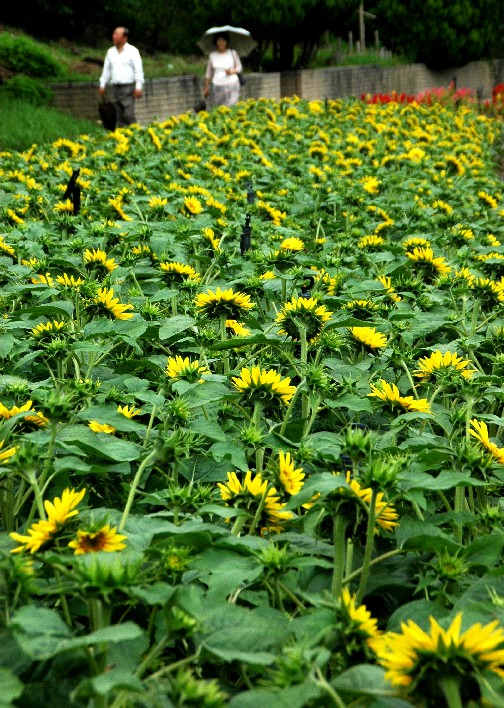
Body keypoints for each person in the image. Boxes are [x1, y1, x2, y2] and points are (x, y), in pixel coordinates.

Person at [99, 27, 144, 127]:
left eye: (117, 34)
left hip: (128, 88)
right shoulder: (110, 52)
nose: (114, 36)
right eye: (114, 34)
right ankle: (122, 137)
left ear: (124, 38)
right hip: (115, 88)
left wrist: (138, 87)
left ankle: (135, 131)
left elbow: (138, 70)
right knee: (118, 115)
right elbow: (106, 70)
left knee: (128, 114)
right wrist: (102, 85)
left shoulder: (133, 51)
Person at [203, 32, 242, 107]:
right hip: (217, 85)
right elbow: (208, 73)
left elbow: (239, 67)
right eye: (219, 40)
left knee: (232, 107)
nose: (221, 43)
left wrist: (231, 71)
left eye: (223, 40)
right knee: (220, 109)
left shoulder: (232, 53)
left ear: (227, 42)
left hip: (232, 84)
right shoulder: (212, 55)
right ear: (216, 42)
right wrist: (206, 87)